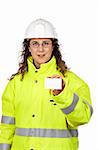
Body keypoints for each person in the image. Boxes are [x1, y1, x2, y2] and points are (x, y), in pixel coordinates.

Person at [0, 18, 93, 150]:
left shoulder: (72, 81)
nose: (41, 49)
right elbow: (6, 127)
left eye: (46, 43)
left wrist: (63, 94)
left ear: (53, 46)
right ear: (28, 47)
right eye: (35, 43)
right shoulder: (16, 83)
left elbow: (83, 117)